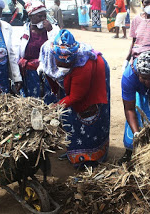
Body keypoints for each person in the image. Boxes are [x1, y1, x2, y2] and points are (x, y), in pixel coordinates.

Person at [37, 29, 110, 168]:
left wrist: (54, 108)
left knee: (89, 114)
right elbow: (49, 72)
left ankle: (91, 156)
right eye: (61, 63)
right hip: (72, 80)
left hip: (95, 76)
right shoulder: (48, 51)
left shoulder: (83, 65)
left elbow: (76, 96)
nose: (64, 66)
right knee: (71, 116)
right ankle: (74, 151)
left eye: (68, 63)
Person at [18, 0, 60, 98]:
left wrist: (50, 31)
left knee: (49, 100)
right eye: (39, 16)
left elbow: (58, 47)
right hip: (30, 75)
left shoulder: (54, 29)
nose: (43, 19)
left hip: (48, 73)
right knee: (33, 100)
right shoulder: (23, 31)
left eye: (44, 16)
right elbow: (16, 55)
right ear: (31, 17)